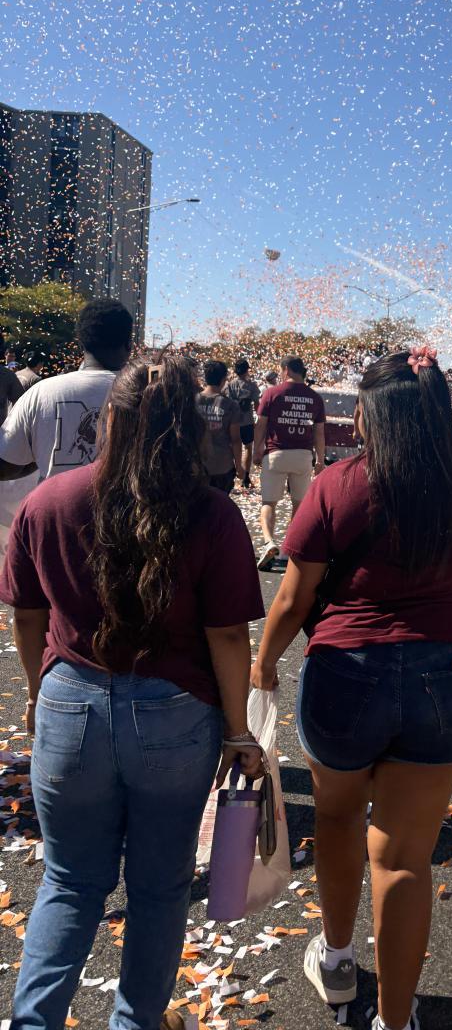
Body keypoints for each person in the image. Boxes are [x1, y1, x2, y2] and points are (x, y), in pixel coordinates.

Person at [250, 348, 452, 1030]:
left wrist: (264, 662)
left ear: (374, 416)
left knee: (337, 819)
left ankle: (338, 961)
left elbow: (293, 596)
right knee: (404, 858)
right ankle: (397, 1019)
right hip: (446, 676)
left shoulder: (338, 485)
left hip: (347, 670)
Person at [0, 357, 265, 1029]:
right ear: (191, 428)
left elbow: (27, 617)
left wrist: (37, 691)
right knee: (158, 888)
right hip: (175, 715)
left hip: (70, 702)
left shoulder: (48, 502)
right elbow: (227, 635)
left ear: (108, 422)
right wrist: (238, 731)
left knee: (69, 881)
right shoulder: (211, 514)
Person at [0, 299, 133, 483]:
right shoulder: (147, 395)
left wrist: (42, 455)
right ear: (129, 344)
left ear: (80, 344)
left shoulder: (41, 393)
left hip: (55, 501)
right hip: (125, 503)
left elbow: (5, 466)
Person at [253, 355, 327, 570]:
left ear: (286, 370)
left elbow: (261, 425)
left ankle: (269, 542)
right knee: (299, 505)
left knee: (269, 503)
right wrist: (320, 459)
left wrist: (257, 450)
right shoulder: (314, 397)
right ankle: (288, 549)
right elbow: (319, 432)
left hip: (276, 454)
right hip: (303, 456)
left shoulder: (272, 393)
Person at [196, 359, 244, 492]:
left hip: (197, 465)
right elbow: (235, 439)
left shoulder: (192, 401)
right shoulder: (230, 405)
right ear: (224, 379)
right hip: (222, 466)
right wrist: (239, 466)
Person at [225, 358, 261, 487]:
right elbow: (257, 404)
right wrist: (259, 419)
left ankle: (233, 472)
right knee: (248, 448)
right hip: (247, 421)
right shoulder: (251, 385)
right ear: (247, 370)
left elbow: (226, 403)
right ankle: (245, 477)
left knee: (231, 447)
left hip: (232, 422)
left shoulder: (229, 385)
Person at [0, 335, 24, 424]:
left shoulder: (8, 374)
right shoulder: (6, 373)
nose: (11, 358)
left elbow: (18, 401)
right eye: (9, 356)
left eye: (13, 356)